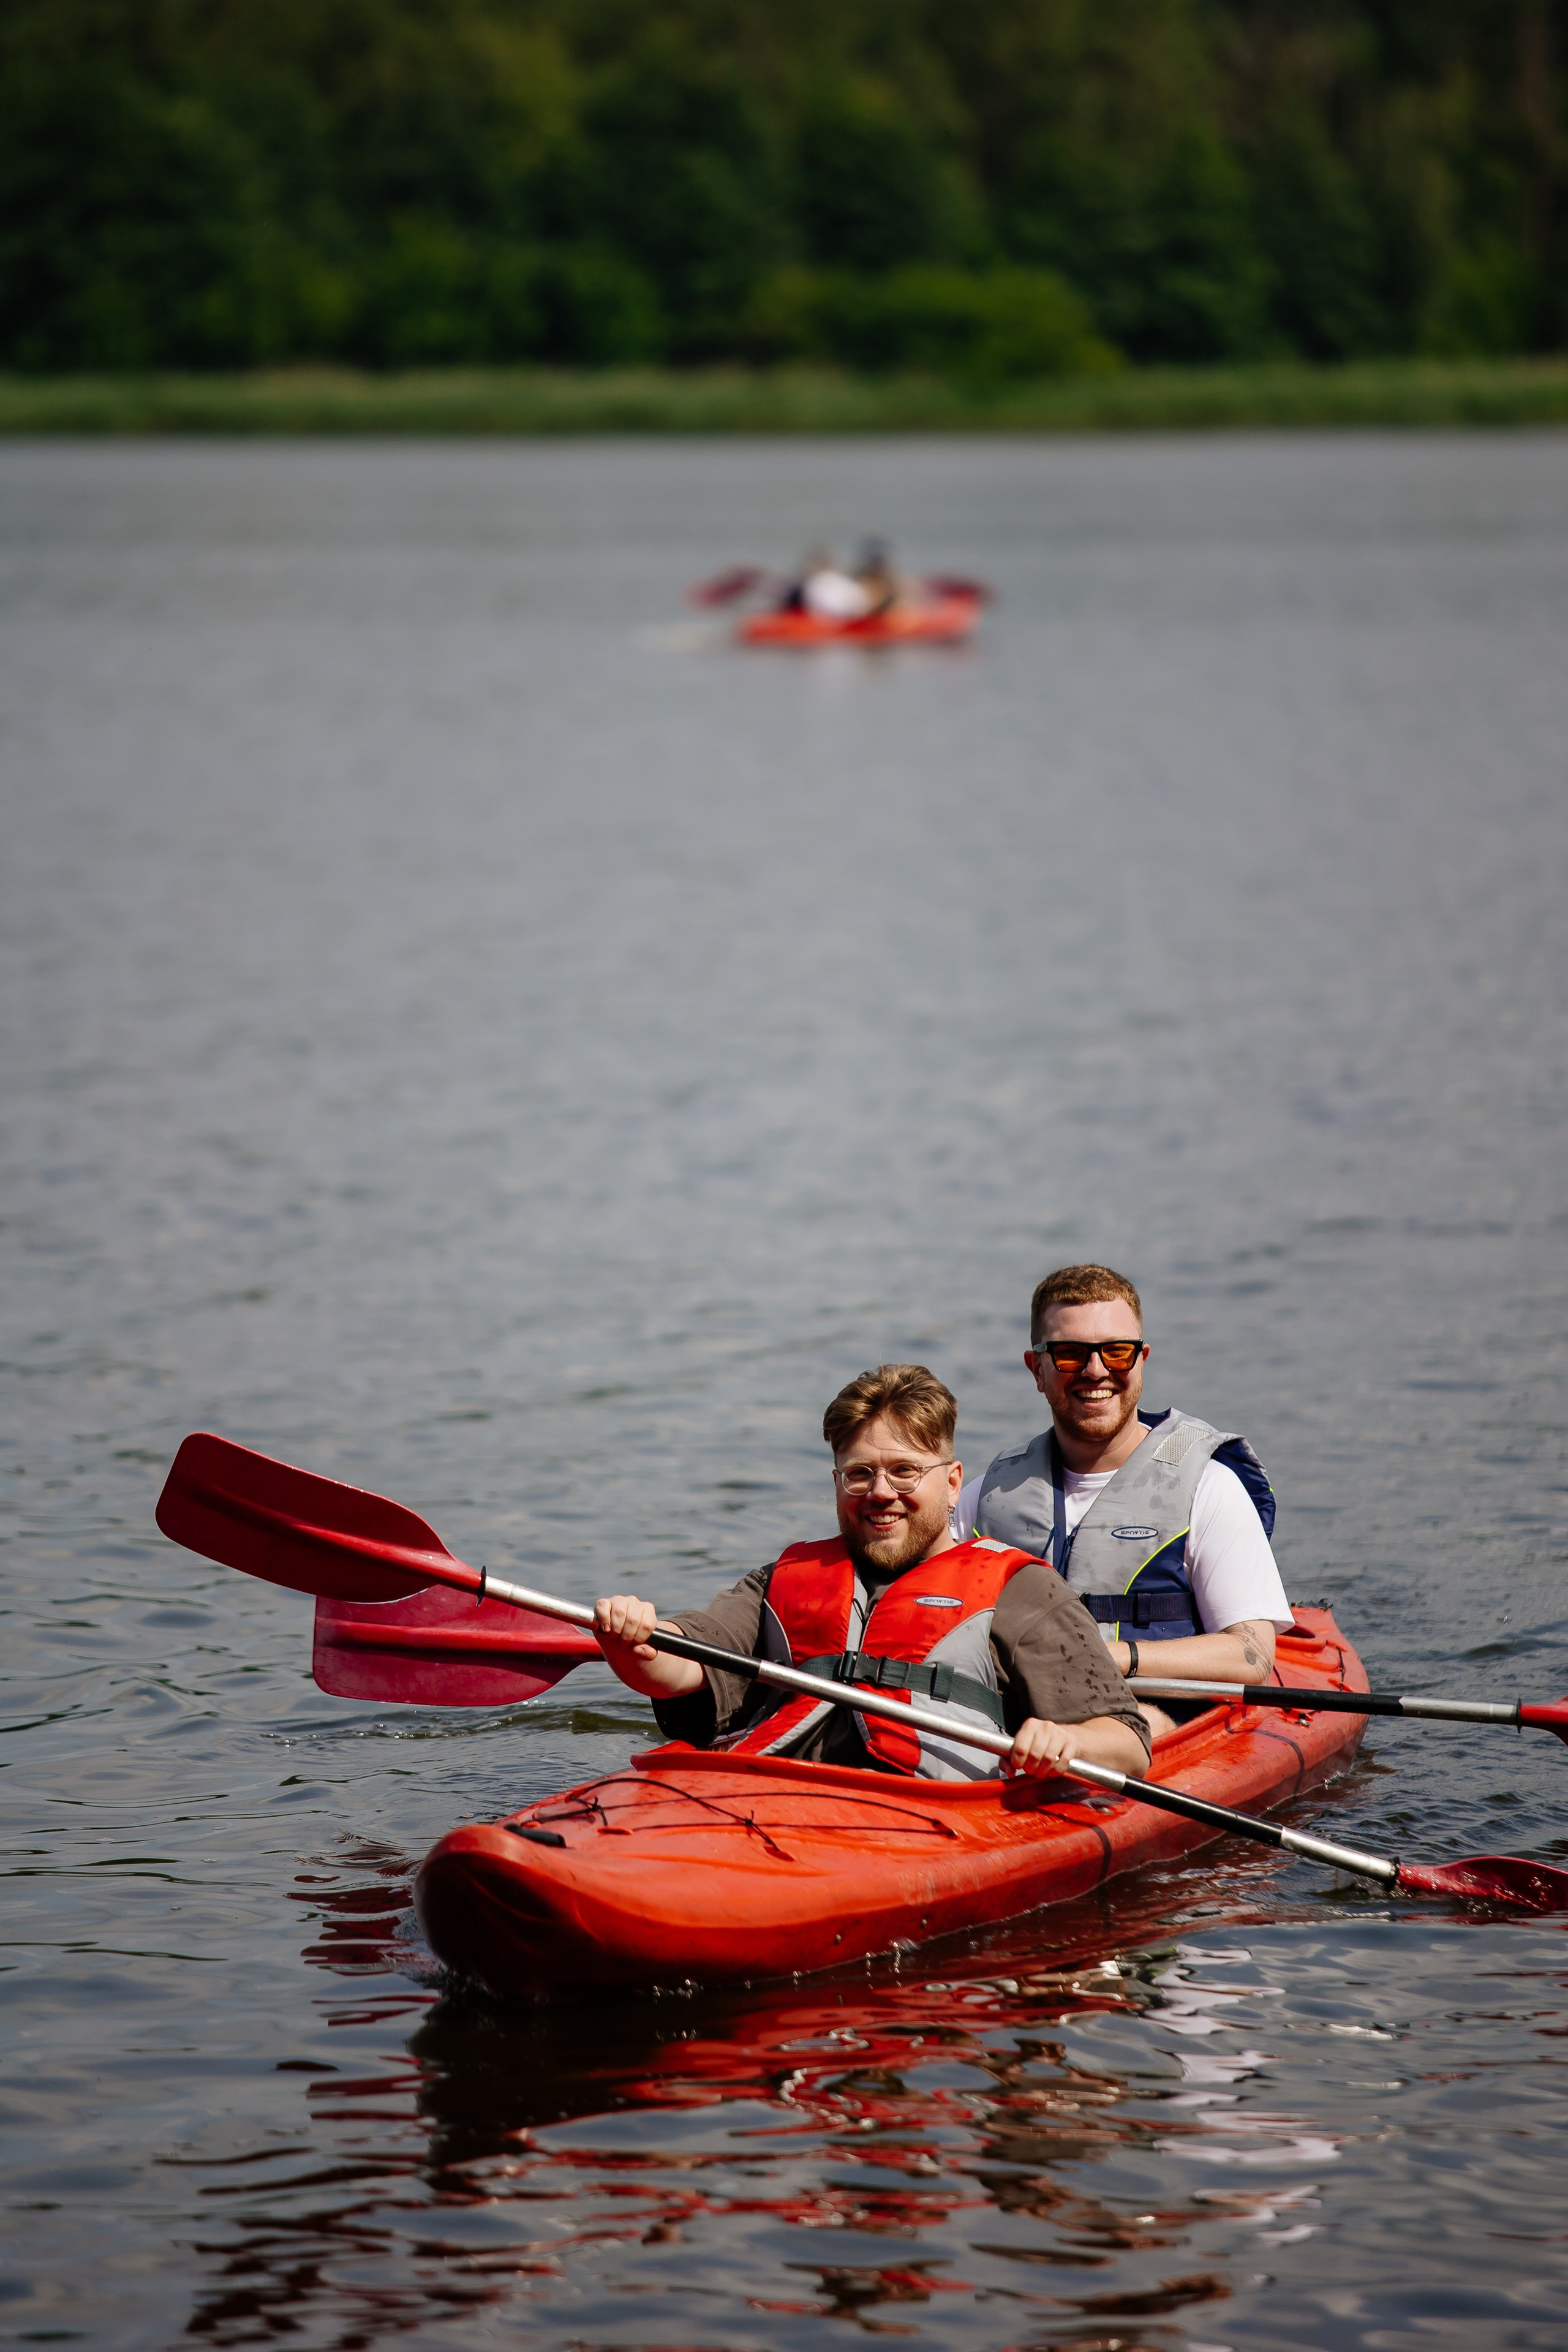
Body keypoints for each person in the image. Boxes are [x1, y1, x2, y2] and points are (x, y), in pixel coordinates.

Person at [594, 1362, 1149, 1783]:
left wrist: (1065, 1740)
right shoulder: (782, 1581)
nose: (881, 1493)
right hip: (773, 1796)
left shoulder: (1022, 1591)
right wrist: (636, 1641)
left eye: (904, 1471)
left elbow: (1128, 1741)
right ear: (837, 1482)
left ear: (953, 1482)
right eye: (859, 1475)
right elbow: (680, 1666)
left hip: (928, 1816)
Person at [957, 1263, 1294, 1740]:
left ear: (1141, 1359)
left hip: (1158, 1715)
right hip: (1019, 1718)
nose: (1097, 1371)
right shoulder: (986, 1497)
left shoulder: (1209, 1487)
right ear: (1037, 1369)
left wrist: (1120, 1658)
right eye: (1070, 1355)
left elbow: (1252, 1656)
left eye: (1116, 1352)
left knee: (1141, 1722)